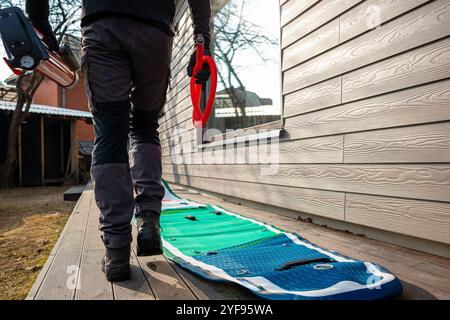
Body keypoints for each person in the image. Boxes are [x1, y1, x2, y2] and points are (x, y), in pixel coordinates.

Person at [25, 0, 212, 282]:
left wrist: (39, 24)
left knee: (111, 133)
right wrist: (201, 41)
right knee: (145, 126)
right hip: (155, 31)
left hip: (104, 25)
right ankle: (149, 221)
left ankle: (116, 252)